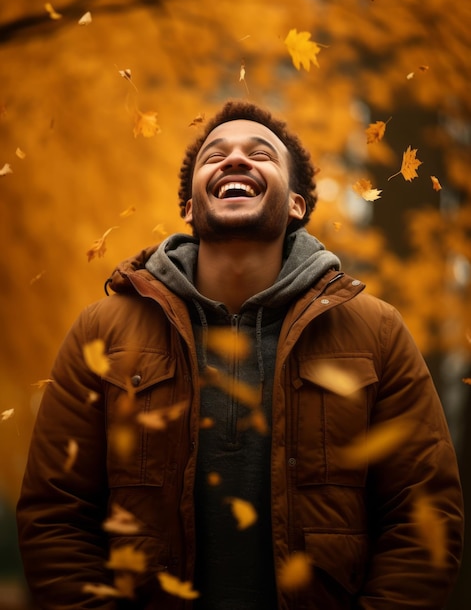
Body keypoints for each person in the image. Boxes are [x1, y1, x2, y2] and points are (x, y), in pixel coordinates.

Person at [17, 100, 464, 610]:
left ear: (296, 204)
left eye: (261, 154)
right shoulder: (101, 331)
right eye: (216, 154)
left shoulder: (376, 331)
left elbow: (422, 515)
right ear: (188, 207)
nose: (235, 160)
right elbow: (56, 515)